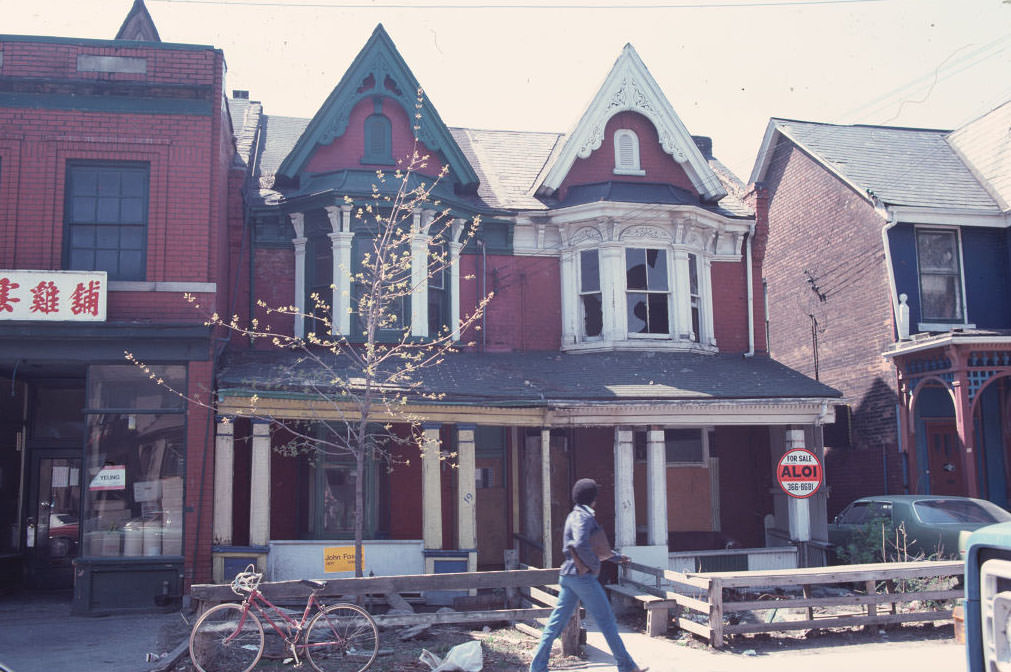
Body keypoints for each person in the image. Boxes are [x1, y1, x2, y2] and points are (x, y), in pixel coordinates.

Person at [528, 478, 648, 672]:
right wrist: (594, 567)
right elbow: (581, 544)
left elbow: (594, 546)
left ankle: (538, 667)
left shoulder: (574, 515)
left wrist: (616, 557)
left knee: (556, 623)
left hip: (568, 576)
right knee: (607, 621)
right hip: (581, 577)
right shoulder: (584, 518)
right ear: (592, 498)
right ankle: (626, 666)